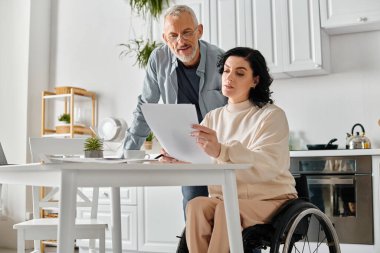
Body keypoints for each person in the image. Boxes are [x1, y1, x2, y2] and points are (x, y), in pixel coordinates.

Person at [162, 47, 298, 253]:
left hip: (270, 200)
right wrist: (180, 158)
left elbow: (269, 165)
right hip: (226, 199)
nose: (229, 77)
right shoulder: (213, 118)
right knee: (196, 206)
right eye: (226, 71)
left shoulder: (271, 116)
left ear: (255, 80)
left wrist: (221, 151)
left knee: (227, 211)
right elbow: (204, 162)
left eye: (240, 73)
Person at [123, 5, 227, 216]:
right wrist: (127, 154)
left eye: (187, 32)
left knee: (228, 214)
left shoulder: (221, 61)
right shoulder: (158, 60)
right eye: (173, 35)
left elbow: (236, 111)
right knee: (193, 214)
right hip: (186, 153)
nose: (181, 41)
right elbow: (145, 106)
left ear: (199, 31)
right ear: (165, 38)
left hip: (219, 151)